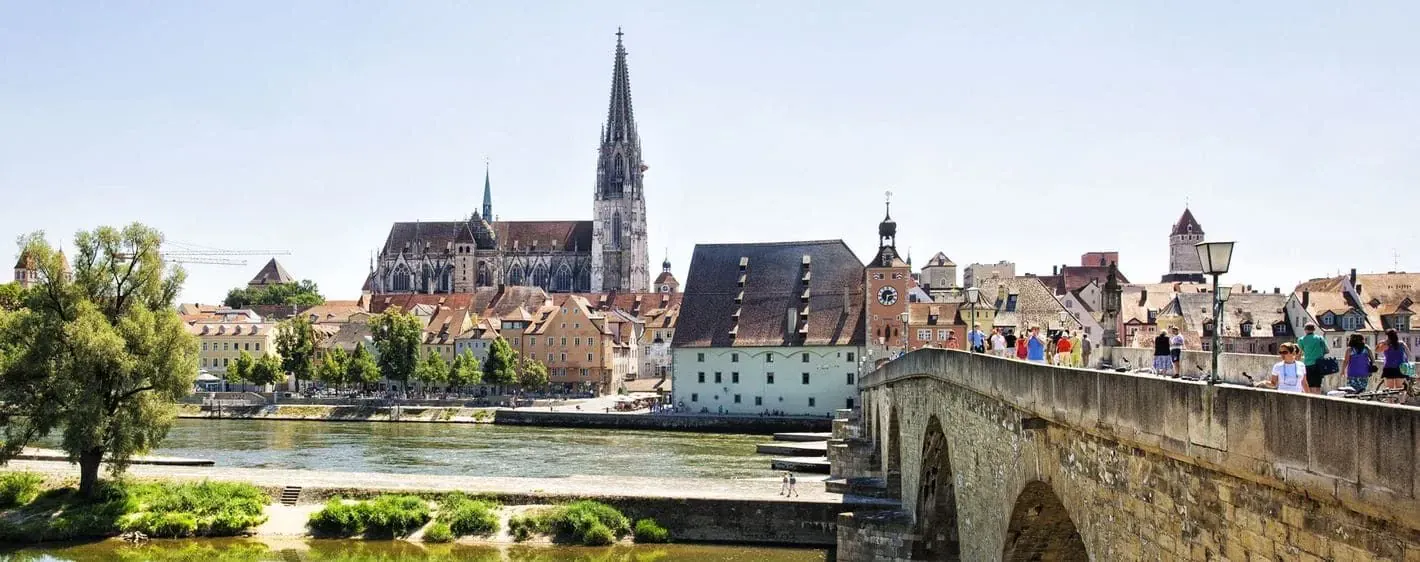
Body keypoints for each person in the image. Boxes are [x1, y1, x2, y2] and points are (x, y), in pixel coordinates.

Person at [1298, 323, 1330, 393]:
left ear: (1305, 330)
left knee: (1309, 385)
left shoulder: (1301, 340)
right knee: (1317, 385)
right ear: (1314, 330)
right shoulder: (1320, 338)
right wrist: (1319, 353)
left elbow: (1299, 354)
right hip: (1318, 365)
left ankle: (1310, 401)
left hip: (1308, 365)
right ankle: (1317, 401)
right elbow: (1327, 351)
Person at [1378, 329, 1411, 394]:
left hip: (1389, 368)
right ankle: (1401, 403)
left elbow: (1377, 351)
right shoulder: (1401, 343)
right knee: (1400, 389)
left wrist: (1381, 343)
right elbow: (1409, 354)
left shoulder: (1386, 345)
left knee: (1389, 389)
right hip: (1401, 368)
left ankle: (1391, 403)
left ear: (1387, 336)